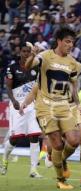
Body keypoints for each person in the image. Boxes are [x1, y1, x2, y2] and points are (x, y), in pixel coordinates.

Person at [23, 27, 81, 189]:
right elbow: (28, 66)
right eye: (67, 41)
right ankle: (61, 179)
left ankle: (59, 160)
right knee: (57, 144)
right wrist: (33, 53)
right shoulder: (45, 56)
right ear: (59, 41)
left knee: (74, 141)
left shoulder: (72, 62)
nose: (70, 45)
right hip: (45, 107)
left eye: (72, 42)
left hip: (65, 106)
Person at [0, 44, 42, 178]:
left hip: (31, 105)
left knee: (34, 135)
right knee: (15, 138)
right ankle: (5, 158)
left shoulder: (35, 67)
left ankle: (33, 170)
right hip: (17, 105)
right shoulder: (12, 68)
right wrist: (13, 101)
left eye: (28, 52)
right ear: (20, 53)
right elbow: (8, 86)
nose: (25, 54)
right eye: (23, 51)